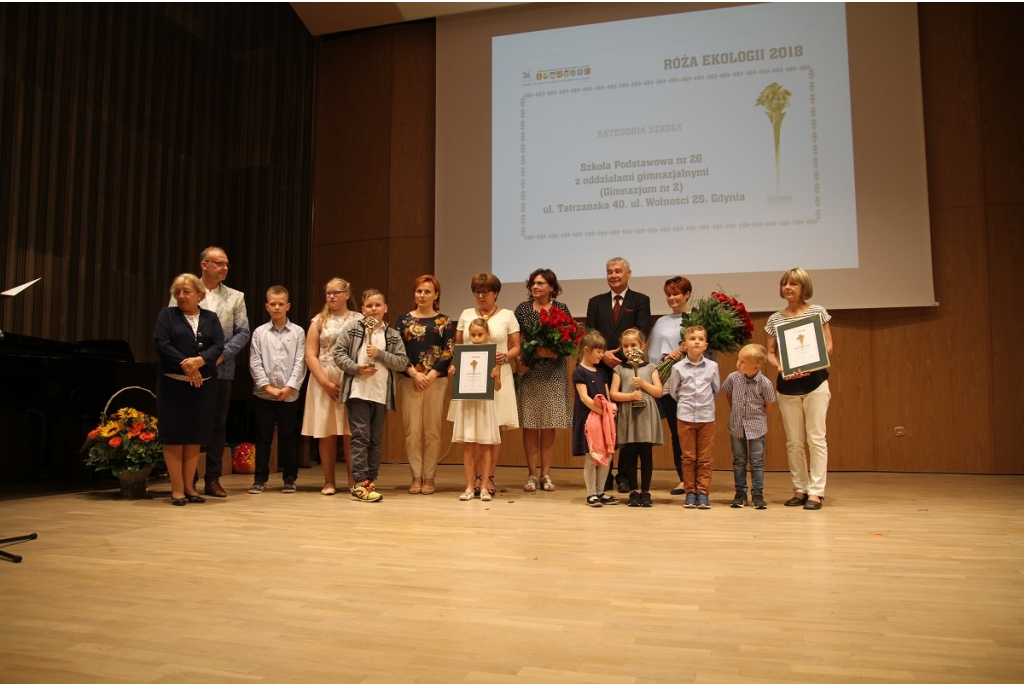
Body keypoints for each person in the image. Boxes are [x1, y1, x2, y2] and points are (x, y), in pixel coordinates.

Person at [170, 246, 249, 498]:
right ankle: (186, 481)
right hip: (186, 370)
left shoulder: (236, 297)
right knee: (187, 423)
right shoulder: (183, 289)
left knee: (217, 424)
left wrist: (218, 356)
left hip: (220, 369)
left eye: (226, 264)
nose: (225, 268)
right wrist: (189, 362)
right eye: (219, 263)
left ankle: (212, 478)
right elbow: (172, 327)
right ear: (204, 265)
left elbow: (242, 332)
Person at [765, 268, 834, 510]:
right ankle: (800, 489)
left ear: (803, 287)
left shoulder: (817, 312)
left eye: (793, 284)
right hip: (788, 385)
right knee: (794, 442)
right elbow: (770, 354)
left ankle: (816, 491)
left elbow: (828, 344)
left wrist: (809, 363)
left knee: (816, 438)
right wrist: (782, 367)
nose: (788, 288)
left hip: (815, 382)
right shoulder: (775, 319)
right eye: (785, 284)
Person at [332, 289, 409, 503]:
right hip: (358, 391)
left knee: (375, 440)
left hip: (381, 393)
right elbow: (338, 354)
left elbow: (402, 362)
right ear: (363, 309)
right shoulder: (353, 329)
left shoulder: (392, 334)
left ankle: (370, 480)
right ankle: (359, 482)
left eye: (378, 305)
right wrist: (357, 368)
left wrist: (380, 354)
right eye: (369, 306)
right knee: (360, 437)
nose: (373, 309)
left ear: (385, 308)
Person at [154, 274, 224, 506]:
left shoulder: (210, 318)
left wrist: (200, 361)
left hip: (203, 385)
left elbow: (218, 345)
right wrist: (187, 364)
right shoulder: (167, 315)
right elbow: (161, 343)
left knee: (195, 435)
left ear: (200, 295)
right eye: (178, 292)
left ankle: (190, 487)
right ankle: (176, 489)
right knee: (174, 436)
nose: (182, 296)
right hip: (173, 385)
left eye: (187, 292)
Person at [585, 257, 651, 493]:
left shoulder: (641, 300)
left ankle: (624, 475)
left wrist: (622, 359)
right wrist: (603, 356)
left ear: (628, 274)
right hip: (600, 370)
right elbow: (590, 332)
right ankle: (605, 473)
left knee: (625, 423)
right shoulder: (596, 302)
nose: (613, 275)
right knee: (604, 421)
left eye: (618, 271)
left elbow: (641, 332)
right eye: (609, 271)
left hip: (628, 371)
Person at [452, 273, 520, 497]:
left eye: (485, 291)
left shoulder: (508, 315)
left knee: (494, 427)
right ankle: (475, 479)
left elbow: (515, 346)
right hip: (471, 377)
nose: (481, 296)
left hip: (498, 373)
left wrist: (505, 357)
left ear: (496, 293)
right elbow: (459, 344)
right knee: (472, 430)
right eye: (477, 292)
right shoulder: (466, 314)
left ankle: (489, 477)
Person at [514, 268, 572, 492]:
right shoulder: (522, 309)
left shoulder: (561, 309)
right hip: (530, 372)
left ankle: (545, 474)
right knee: (530, 425)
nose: (535, 287)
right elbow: (516, 340)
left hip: (553, 373)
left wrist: (555, 351)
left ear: (552, 287)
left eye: (540, 283)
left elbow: (567, 340)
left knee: (548, 425)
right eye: (533, 283)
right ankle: (531, 475)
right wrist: (523, 358)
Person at [396, 275, 455, 495]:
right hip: (408, 379)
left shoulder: (445, 321)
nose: (422, 295)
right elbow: (397, 350)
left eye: (427, 291)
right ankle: (416, 476)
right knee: (412, 431)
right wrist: (413, 374)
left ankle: (429, 477)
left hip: (435, 382)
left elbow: (449, 350)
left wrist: (429, 376)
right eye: (419, 291)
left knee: (432, 431)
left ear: (436, 295)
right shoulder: (403, 320)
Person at [302, 278, 361, 495]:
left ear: (347, 294)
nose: (332, 297)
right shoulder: (318, 320)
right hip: (323, 378)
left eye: (337, 292)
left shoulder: (359, 319)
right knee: (325, 432)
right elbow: (310, 355)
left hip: (352, 378)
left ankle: (353, 481)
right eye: (328, 293)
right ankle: (329, 481)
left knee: (351, 432)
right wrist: (325, 383)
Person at [247, 286, 307, 495]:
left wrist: (290, 387)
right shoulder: (259, 333)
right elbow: (255, 362)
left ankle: (290, 477)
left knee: (288, 436)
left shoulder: (298, 332)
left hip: (289, 394)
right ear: (267, 306)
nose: (277, 307)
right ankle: (260, 478)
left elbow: (301, 362)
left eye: (281, 303)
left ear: (288, 306)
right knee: (263, 436)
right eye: (273, 304)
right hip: (264, 394)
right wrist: (268, 387)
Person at [609, 328, 664, 507]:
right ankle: (633, 490)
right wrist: (630, 397)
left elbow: (659, 391)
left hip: (646, 414)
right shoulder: (619, 369)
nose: (629, 349)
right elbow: (613, 393)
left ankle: (645, 491)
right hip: (628, 415)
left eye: (633, 345)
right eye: (625, 346)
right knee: (630, 454)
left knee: (646, 454)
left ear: (642, 345)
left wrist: (644, 385)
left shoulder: (650, 367)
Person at [667, 325, 720, 509]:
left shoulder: (713, 367)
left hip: (706, 417)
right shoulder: (677, 368)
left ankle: (703, 493)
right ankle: (690, 493)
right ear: (684, 344)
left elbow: (715, 390)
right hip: (685, 417)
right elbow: (674, 392)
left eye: (700, 339)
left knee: (705, 458)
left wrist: (703, 405)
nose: (696, 341)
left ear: (706, 345)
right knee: (688, 457)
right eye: (692, 339)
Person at [648, 275, 693, 496]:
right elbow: (652, 353)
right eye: (669, 295)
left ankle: (697, 478)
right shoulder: (661, 322)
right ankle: (684, 478)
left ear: (687, 294)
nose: (672, 298)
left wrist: (685, 352)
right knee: (677, 432)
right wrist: (665, 359)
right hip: (666, 383)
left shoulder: (695, 319)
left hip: (690, 384)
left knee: (692, 432)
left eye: (676, 293)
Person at [449, 318, 502, 502]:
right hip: (468, 403)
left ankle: (485, 486)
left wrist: (495, 377)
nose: (476, 338)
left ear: (487, 334)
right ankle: (469, 486)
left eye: (480, 334)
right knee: (469, 445)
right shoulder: (462, 354)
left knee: (485, 445)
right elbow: (458, 383)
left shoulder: (492, 355)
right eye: (473, 335)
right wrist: (454, 374)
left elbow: (497, 387)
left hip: (485, 404)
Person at [722, 343, 776, 510]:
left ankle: (758, 494)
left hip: (757, 427)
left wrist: (756, 417)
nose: (738, 364)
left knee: (757, 461)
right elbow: (728, 395)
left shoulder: (764, 383)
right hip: (737, 425)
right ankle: (740, 493)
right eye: (738, 360)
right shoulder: (733, 378)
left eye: (743, 362)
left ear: (756, 366)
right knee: (739, 460)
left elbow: (769, 404)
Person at [572, 330, 619, 508]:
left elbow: (606, 396)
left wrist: (610, 409)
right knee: (592, 457)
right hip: (588, 420)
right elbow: (584, 398)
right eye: (598, 351)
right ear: (586, 350)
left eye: (602, 351)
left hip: (603, 419)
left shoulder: (601, 373)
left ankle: (600, 491)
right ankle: (591, 493)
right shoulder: (580, 372)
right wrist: (602, 411)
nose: (601, 355)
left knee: (606, 454)